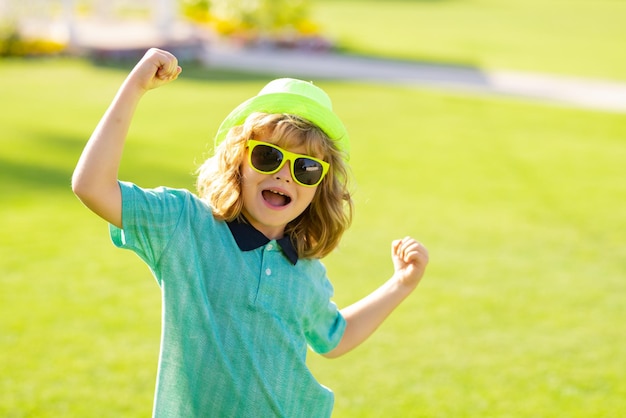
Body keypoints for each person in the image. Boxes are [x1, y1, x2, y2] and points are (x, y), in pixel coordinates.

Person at [72, 48, 429, 418]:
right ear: (237, 161)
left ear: (319, 186)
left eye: (305, 168)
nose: (284, 174)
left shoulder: (305, 269)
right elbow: (92, 187)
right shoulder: (185, 225)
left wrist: (400, 284)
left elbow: (334, 337)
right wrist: (135, 87)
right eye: (267, 156)